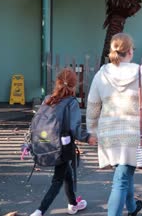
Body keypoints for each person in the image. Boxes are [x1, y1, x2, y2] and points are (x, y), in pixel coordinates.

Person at [86, 33, 142, 216]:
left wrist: (92, 131)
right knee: (121, 179)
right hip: (133, 134)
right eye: (133, 48)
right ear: (128, 51)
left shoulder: (101, 74)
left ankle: (132, 208)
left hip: (109, 135)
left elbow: (93, 106)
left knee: (124, 172)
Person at [30, 68, 94, 216]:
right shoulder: (71, 102)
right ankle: (40, 211)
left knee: (67, 174)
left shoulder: (48, 99)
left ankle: (73, 204)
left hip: (48, 144)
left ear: (57, 83)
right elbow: (75, 128)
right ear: (74, 85)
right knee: (58, 180)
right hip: (63, 147)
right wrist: (88, 137)